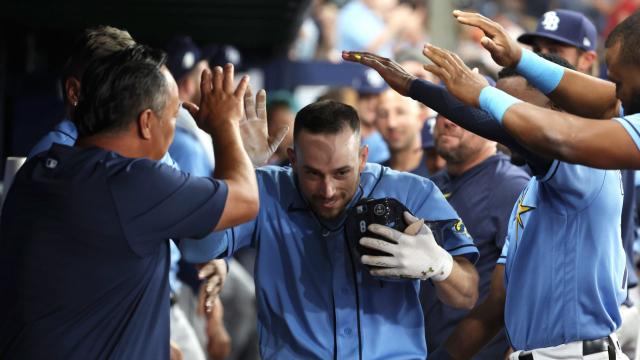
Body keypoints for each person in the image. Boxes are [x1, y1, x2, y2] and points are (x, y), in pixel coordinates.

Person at [343, 47, 627, 360]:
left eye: (512, 109)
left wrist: (416, 88)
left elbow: (500, 128)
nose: (502, 121)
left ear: (555, 110)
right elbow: (495, 305)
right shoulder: (532, 191)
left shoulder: (583, 168)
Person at [0, 45, 259, 359]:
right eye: (174, 116)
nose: (174, 128)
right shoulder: (132, 182)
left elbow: (77, 294)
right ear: (147, 122)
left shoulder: (39, 168)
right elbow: (245, 199)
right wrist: (225, 128)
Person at [218, 99, 479, 358]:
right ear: (293, 160)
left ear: (362, 157)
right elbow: (200, 249)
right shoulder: (264, 189)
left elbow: (466, 295)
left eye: (341, 173)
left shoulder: (413, 193)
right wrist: (236, 167)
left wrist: (440, 265)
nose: (327, 190)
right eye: (313, 174)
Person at [519, 10, 639, 357]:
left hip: (607, 310)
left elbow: (567, 139)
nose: (543, 57)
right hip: (555, 318)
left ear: (589, 59)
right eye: (537, 47)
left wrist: (481, 96)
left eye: (556, 48)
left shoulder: (621, 111)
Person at [421, 112, 530, 359]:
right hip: (431, 347)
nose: (448, 120)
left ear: (492, 126)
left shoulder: (509, 185)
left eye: (462, 113)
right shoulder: (430, 185)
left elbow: (529, 285)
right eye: (441, 111)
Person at [517, 9, 598, 75]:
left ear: (586, 60)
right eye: (536, 49)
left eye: (554, 51)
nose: (540, 57)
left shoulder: (602, 95)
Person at [376, 88, 430, 176]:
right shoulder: (372, 177)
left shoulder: (438, 172)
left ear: (421, 118)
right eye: (383, 114)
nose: (391, 123)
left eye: (400, 112)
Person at [353, 68, 391, 163]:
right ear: (357, 99)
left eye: (377, 97)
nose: (371, 104)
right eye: (366, 97)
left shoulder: (393, 135)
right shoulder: (345, 135)